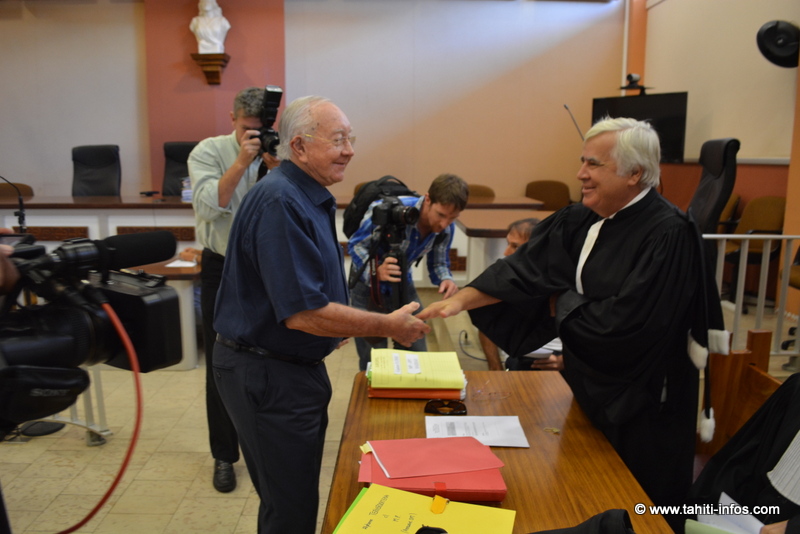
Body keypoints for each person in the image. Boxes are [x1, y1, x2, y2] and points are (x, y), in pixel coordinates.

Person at [418, 117, 728, 526]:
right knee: (584, 497)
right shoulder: (585, 217)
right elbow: (526, 269)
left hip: (644, 406)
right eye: (582, 162)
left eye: (594, 165)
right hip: (595, 389)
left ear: (635, 173)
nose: (581, 174)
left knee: (636, 512)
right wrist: (456, 302)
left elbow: (626, 326)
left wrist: (561, 302)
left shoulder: (668, 235)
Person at [212, 95, 430, 534]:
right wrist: (386, 325)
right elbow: (303, 313)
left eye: (351, 138)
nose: (349, 149)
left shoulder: (303, 195)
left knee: (292, 500)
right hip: (268, 374)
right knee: (289, 510)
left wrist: (336, 326)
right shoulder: (281, 202)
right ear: (299, 146)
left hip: (288, 368)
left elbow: (307, 294)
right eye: (338, 139)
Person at [188, 86, 280, 493]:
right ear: (232, 119)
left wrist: (280, 169)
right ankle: (224, 455)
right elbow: (210, 206)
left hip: (267, 268)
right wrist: (244, 160)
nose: (254, 136)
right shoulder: (207, 152)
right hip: (223, 267)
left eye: (260, 130)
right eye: (247, 129)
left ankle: (266, 445)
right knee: (221, 366)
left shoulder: (278, 150)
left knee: (273, 358)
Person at [348, 173, 468, 371]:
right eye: (440, 215)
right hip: (368, 289)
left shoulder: (447, 227)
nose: (444, 224)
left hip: (403, 285)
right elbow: (356, 245)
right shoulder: (388, 209)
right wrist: (376, 270)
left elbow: (439, 260)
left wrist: (445, 278)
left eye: (453, 218)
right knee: (373, 360)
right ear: (428, 199)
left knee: (417, 352)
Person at [478, 217, 565, 372]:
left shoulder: (565, 279)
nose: (506, 252)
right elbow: (486, 322)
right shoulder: (505, 278)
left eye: (515, 246)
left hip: (559, 361)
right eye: (508, 244)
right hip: (520, 357)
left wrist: (566, 361)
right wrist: (495, 367)